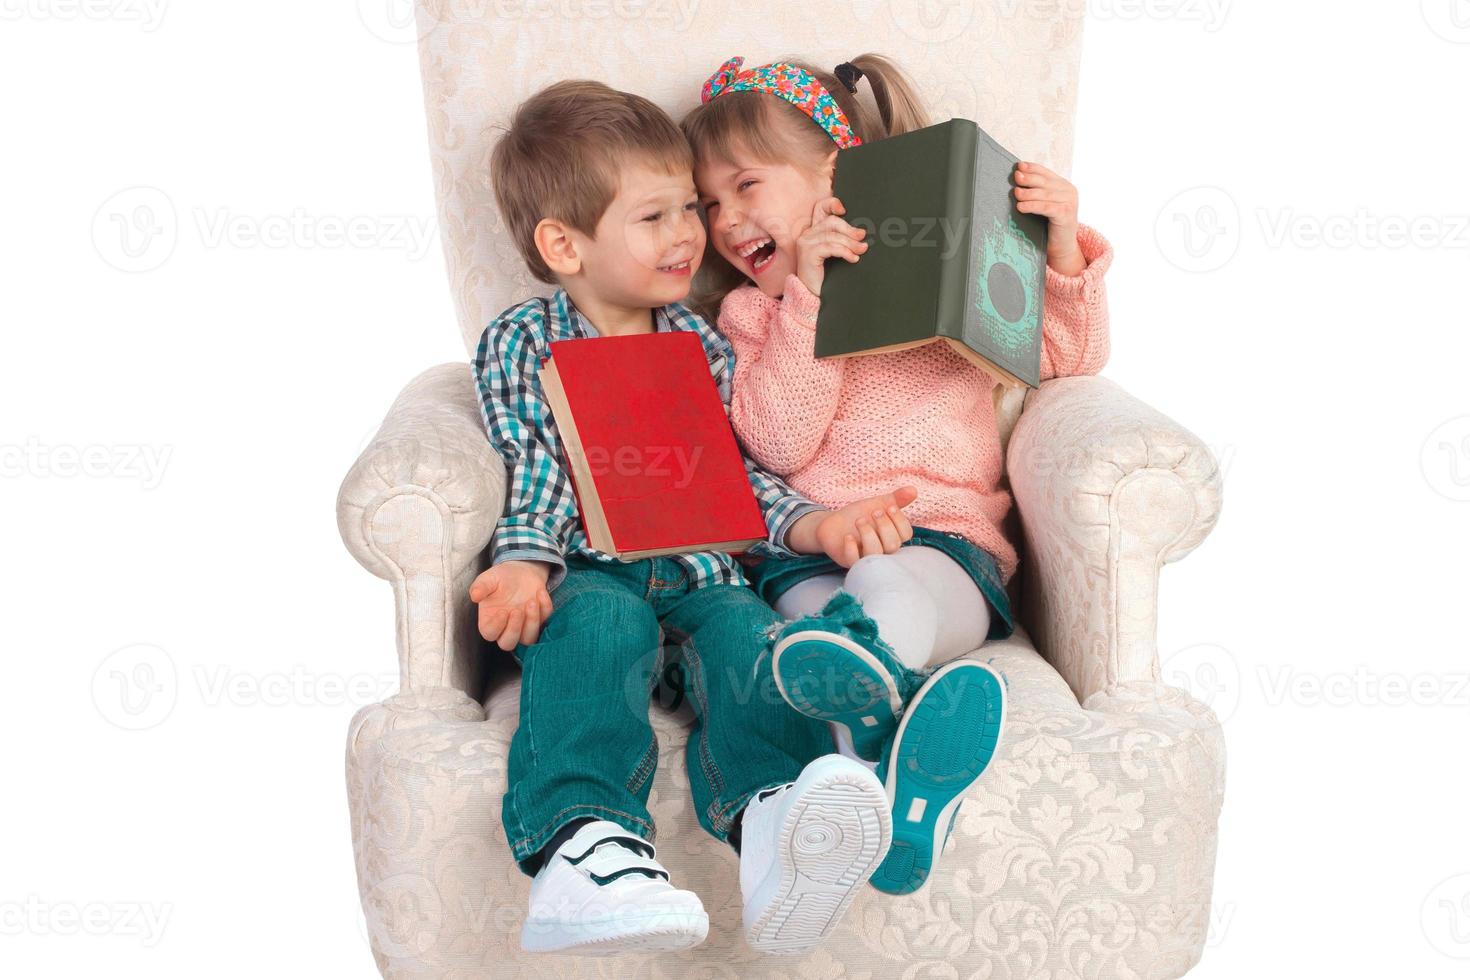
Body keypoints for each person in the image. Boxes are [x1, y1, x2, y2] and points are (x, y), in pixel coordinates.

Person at [683, 54, 1113, 894]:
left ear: (835, 172)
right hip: (809, 557)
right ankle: (891, 789)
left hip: (946, 552)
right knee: (796, 640)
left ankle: (870, 674)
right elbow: (778, 444)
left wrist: (1060, 248)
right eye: (707, 206)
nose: (726, 221)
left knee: (884, 588)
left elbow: (1067, 357)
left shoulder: (937, 266)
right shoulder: (750, 315)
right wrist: (807, 297)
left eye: (745, 186)